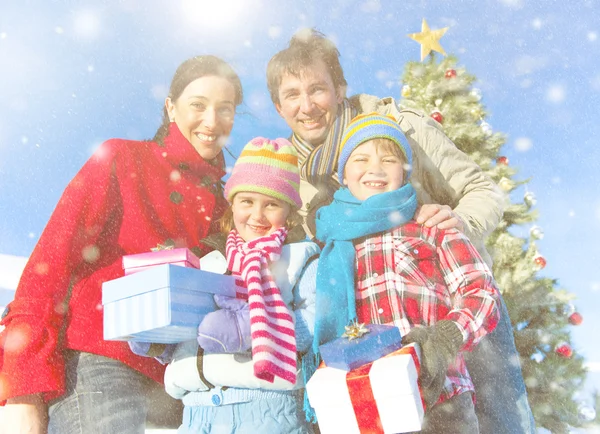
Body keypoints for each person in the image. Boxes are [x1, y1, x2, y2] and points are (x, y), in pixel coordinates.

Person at [267, 28, 535, 434]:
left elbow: (481, 190)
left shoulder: (400, 127)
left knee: (501, 418)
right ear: (278, 105)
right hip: (368, 332)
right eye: (292, 95)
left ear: (340, 90)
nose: (307, 106)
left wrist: (457, 225)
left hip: (451, 299)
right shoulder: (292, 177)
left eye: (317, 89)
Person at [0, 55, 243, 434]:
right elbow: (50, 264)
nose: (212, 121)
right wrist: (23, 388)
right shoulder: (123, 158)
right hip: (102, 361)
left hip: (180, 380)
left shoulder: (230, 204)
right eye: (198, 104)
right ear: (171, 107)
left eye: (224, 109)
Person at [313, 113, 500, 433]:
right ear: (343, 174)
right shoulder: (333, 244)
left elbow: (481, 291)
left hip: (442, 399)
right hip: (368, 404)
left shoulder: (431, 226)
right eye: (360, 158)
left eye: (389, 158)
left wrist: (445, 337)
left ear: (404, 172)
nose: (375, 168)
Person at [131, 137, 319, 433]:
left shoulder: (299, 257)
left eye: (271, 204)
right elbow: (197, 331)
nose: (257, 215)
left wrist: (247, 330)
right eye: (247, 202)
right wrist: (157, 337)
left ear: (289, 213)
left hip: (266, 410)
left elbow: (313, 325)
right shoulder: (208, 261)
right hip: (196, 413)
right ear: (232, 206)